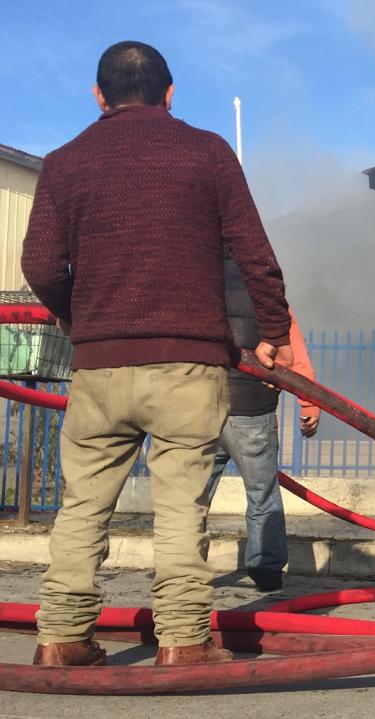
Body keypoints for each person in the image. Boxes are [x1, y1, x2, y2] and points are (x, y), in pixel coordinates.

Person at [21, 41, 293, 667]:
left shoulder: (64, 162)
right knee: (179, 511)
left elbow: (38, 264)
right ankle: (182, 642)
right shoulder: (207, 152)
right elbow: (256, 255)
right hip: (188, 368)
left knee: (82, 507)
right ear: (171, 94)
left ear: (99, 95)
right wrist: (273, 330)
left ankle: (60, 638)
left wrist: (77, 316)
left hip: (97, 371)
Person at [204, 252, 320, 592]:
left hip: (201, 407)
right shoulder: (264, 291)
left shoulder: (195, 283)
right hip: (252, 411)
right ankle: (266, 569)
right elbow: (290, 344)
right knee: (262, 493)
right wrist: (309, 403)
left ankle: (181, 567)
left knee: (190, 496)